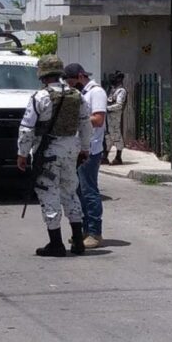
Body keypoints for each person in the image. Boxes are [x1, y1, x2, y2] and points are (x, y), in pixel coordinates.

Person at [17, 55, 92, 257]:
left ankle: (56, 244)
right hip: (71, 150)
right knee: (71, 193)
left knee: (48, 193)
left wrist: (22, 154)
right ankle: (78, 241)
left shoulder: (40, 97)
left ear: (42, 74)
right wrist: (85, 148)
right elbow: (86, 124)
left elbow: (27, 128)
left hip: (48, 151)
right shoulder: (77, 95)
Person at [64, 63, 108, 249]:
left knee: (89, 191)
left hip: (91, 149)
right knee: (78, 192)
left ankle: (94, 232)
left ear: (81, 76)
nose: (71, 86)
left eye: (72, 82)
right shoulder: (81, 93)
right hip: (78, 148)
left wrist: (74, 119)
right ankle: (83, 230)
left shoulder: (96, 92)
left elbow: (98, 120)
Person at [103, 71, 127, 166]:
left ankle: (118, 157)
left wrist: (107, 108)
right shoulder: (112, 89)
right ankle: (105, 157)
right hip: (108, 117)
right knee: (108, 136)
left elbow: (119, 105)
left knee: (117, 136)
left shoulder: (121, 91)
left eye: (116, 78)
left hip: (115, 117)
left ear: (120, 79)